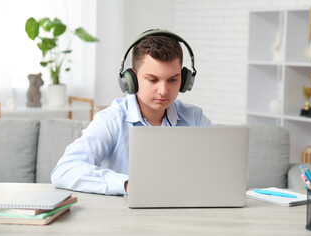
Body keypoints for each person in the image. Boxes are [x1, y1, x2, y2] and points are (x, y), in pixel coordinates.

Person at [51, 29, 212, 195]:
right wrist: (128, 184)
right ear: (131, 79)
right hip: (126, 217)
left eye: (173, 80)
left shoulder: (194, 118)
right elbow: (64, 170)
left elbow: (225, 167)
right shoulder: (111, 120)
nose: (163, 91)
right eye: (152, 80)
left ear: (185, 80)